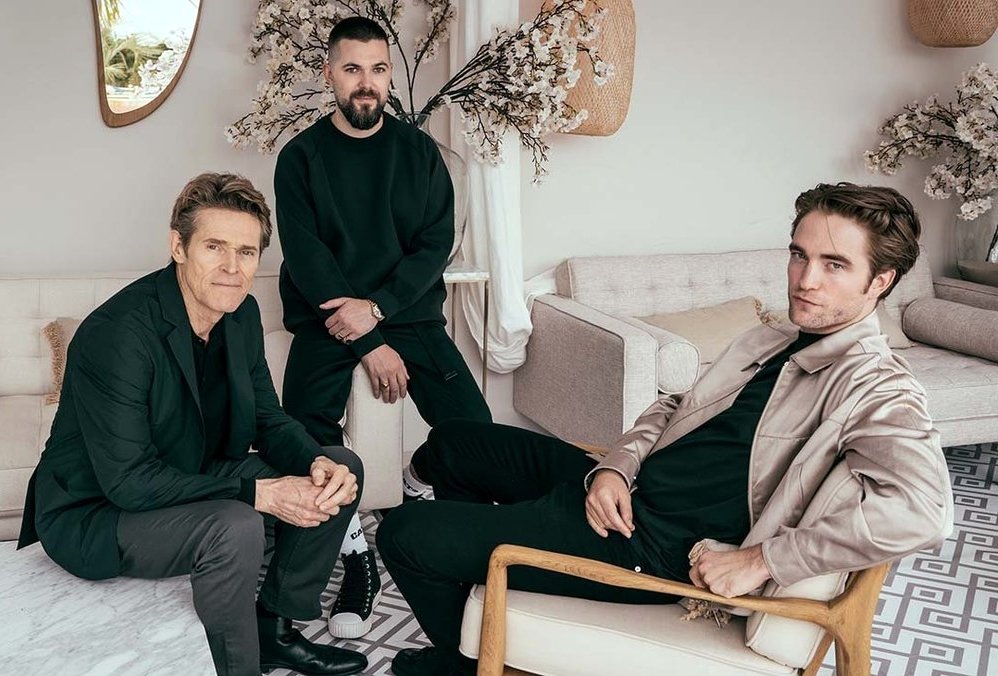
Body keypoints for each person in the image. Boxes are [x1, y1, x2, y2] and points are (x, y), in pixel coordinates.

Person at [376, 182, 955, 676]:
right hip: (626, 492)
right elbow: (676, 405)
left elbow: (924, 512)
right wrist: (614, 467)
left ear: (880, 281)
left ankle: (465, 660)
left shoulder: (877, 387)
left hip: (649, 547)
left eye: (835, 265)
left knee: (404, 533)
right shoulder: (775, 337)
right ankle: (483, 615)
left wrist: (763, 561)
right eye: (799, 255)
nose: (806, 280)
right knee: (454, 441)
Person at [17, 173, 369, 676]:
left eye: (246, 252)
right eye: (214, 247)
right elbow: (129, 482)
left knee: (338, 465)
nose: (231, 268)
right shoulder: (117, 334)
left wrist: (314, 460)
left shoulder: (241, 314)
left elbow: (267, 418)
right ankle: (237, 666)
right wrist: (261, 494)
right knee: (235, 526)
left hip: (191, 471)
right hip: (96, 510)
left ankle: (274, 629)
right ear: (178, 247)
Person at [273, 16, 491, 639]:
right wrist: (367, 340)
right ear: (329, 75)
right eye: (352, 69)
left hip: (409, 314)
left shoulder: (420, 154)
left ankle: (432, 512)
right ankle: (355, 555)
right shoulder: (300, 158)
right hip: (325, 321)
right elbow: (308, 257)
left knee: (474, 432)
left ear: (389, 75)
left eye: (377, 69)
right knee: (301, 437)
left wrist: (377, 312)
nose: (366, 83)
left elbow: (433, 247)